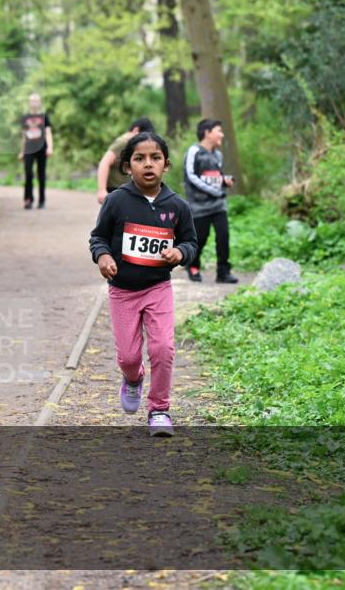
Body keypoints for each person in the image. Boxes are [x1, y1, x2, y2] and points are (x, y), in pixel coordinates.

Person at [89, 132, 197, 437]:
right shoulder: (116, 201)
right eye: (139, 158)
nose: (148, 164)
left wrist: (180, 252)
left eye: (155, 158)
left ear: (166, 165)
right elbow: (98, 237)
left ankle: (159, 409)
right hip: (122, 291)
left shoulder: (178, 206)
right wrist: (103, 257)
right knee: (128, 357)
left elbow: (190, 241)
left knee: (163, 348)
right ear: (127, 166)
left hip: (158, 288)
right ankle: (133, 379)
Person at [182, 118, 238, 284]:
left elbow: (215, 177)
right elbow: (191, 176)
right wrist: (214, 189)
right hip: (198, 206)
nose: (222, 134)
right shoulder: (193, 151)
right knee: (201, 237)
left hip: (218, 204)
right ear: (207, 133)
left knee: (223, 235)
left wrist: (224, 181)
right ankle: (193, 265)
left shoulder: (218, 154)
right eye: (218, 130)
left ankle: (223, 271)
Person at [96, 117, 155, 204]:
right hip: (115, 189)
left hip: (123, 190)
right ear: (136, 130)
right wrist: (102, 190)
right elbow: (104, 162)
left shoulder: (129, 143)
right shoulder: (124, 142)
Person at [18, 93, 53, 209]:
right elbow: (24, 136)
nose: (34, 103)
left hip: (42, 148)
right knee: (28, 173)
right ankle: (28, 200)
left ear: (40, 102)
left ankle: (41, 201)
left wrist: (50, 147)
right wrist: (21, 151)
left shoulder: (44, 117)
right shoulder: (25, 118)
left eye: (36, 101)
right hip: (29, 148)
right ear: (29, 103)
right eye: (32, 101)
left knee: (41, 174)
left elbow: (48, 133)